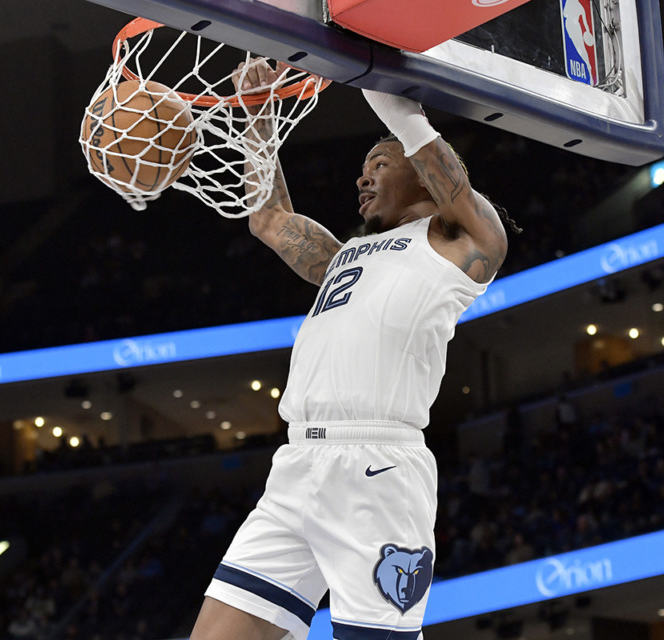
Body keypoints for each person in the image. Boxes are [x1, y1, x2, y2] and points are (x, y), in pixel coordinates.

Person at [189, 59, 515, 640]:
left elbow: (437, 161)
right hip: (296, 466)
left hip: (377, 467)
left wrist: (367, 67)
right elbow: (268, 219)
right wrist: (259, 115)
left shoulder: (460, 244)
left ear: (422, 174)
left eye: (378, 164)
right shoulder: (341, 257)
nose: (361, 179)